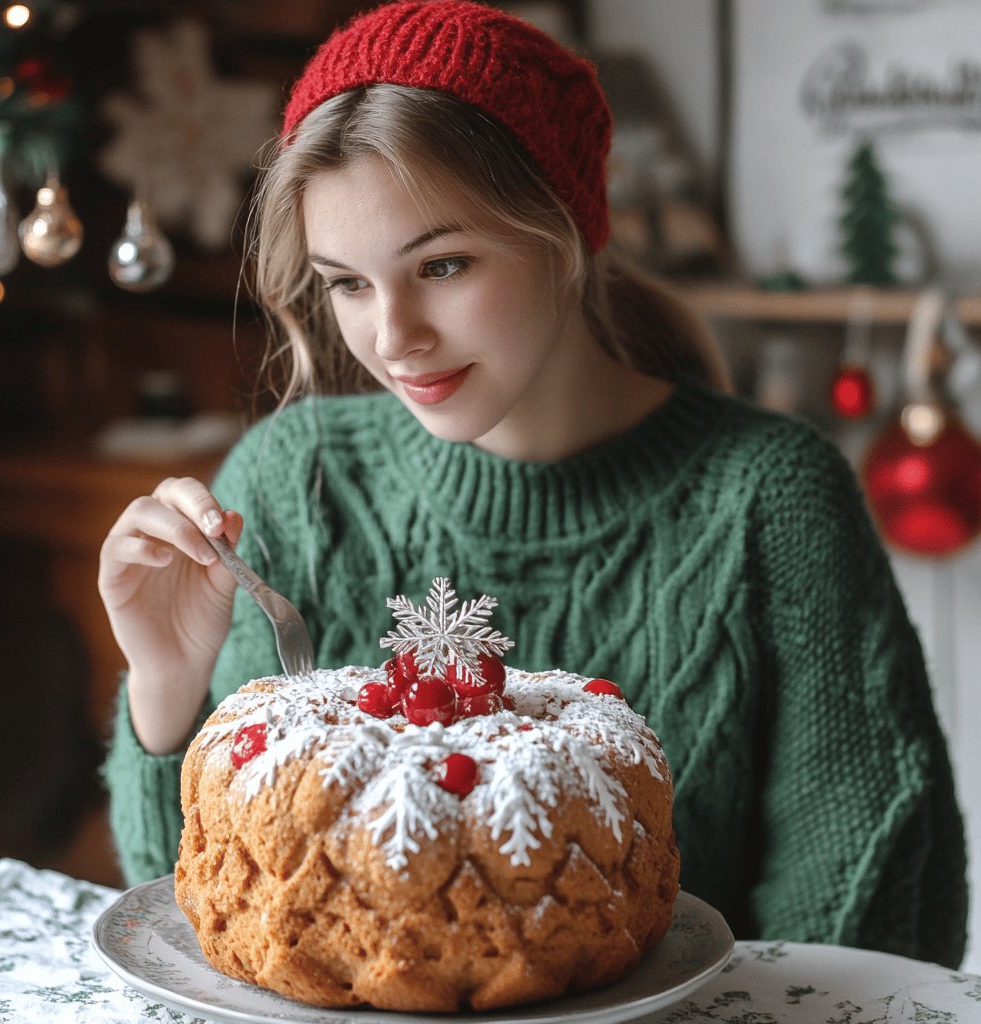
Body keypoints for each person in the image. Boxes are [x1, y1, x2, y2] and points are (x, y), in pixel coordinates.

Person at [99, 0, 967, 967]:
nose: (392, 337)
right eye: (346, 282)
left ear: (569, 231)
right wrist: (166, 688)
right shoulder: (292, 482)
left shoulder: (772, 500)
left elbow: (872, 927)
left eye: (444, 264)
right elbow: (212, 918)